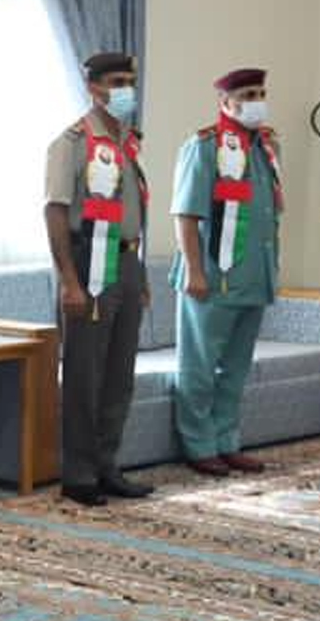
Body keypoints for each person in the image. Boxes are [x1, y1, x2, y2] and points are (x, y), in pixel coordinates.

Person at [43, 52, 155, 506]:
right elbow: (55, 212)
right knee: (85, 374)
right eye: (117, 82)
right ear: (94, 88)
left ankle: (108, 465)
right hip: (88, 262)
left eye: (130, 81)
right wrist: (68, 281)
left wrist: (139, 275)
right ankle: (79, 474)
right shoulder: (72, 142)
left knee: (118, 375)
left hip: (126, 261)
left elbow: (133, 213)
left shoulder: (127, 142)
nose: (126, 90)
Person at [171, 67, 284, 476]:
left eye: (261, 93)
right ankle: (198, 445)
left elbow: (268, 214)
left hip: (253, 274)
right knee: (200, 366)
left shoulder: (266, 147)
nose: (257, 101)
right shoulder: (205, 146)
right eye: (247, 95)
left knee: (236, 368)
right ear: (225, 102)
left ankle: (226, 440)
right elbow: (186, 214)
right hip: (212, 277)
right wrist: (194, 271)